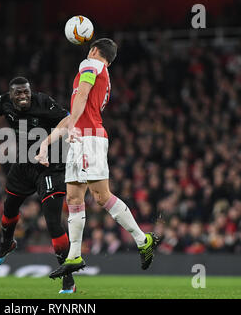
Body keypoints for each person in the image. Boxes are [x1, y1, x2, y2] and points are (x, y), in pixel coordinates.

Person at [35, 39, 161, 279]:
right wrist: (45, 143)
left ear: (94, 51)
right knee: (73, 196)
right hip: (83, 137)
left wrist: (73, 126)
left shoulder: (90, 64)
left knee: (101, 195)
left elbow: (81, 96)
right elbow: (75, 111)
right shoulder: (100, 71)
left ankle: (142, 239)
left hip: (88, 138)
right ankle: (74, 255)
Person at [0, 77, 76, 293]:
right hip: (23, 164)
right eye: (18, 93)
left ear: (31, 92)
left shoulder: (43, 103)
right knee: (9, 208)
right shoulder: (3, 102)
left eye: (26, 93)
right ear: (11, 95)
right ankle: (6, 244)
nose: (23, 97)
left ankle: (68, 278)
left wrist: (49, 144)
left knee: (52, 222)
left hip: (51, 164)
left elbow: (69, 119)